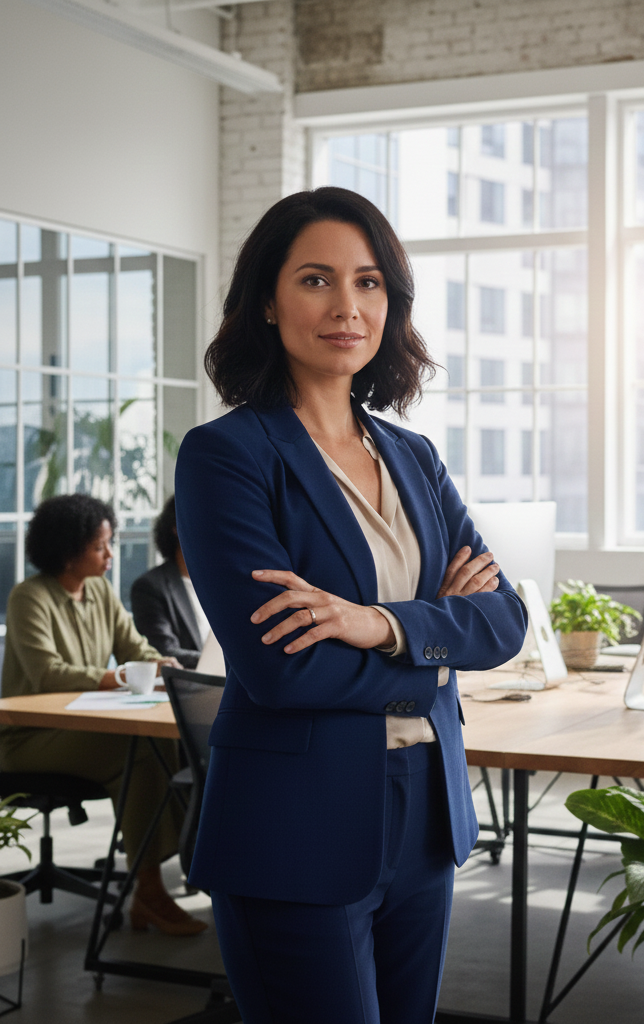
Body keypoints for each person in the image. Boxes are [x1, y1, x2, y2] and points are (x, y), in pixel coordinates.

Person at [174, 186, 528, 1024]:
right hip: (296, 830)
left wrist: (378, 623)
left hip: (427, 816)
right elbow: (282, 669)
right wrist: (436, 662)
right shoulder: (227, 457)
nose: (347, 307)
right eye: (316, 280)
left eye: (369, 283)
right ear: (267, 299)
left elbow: (504, 620)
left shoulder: (414, 456)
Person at [0, 494, 204, 935]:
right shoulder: (29, 597)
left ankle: (152, 879)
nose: (111, 554)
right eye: (101, 546)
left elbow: (136, 648)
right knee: (138, 748)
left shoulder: (99, 592)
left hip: (81, 729)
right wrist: (119, 677)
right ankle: (149, 887)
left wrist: (162, 665)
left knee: (160, 743)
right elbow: (46, 673)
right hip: (29, 739)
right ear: (69, 550)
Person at [131, 496, 208, 669]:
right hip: (191, 687)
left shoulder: (223, 585)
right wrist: (224, 663)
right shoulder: (150, 587)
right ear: (177, 528)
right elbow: (163, 651)